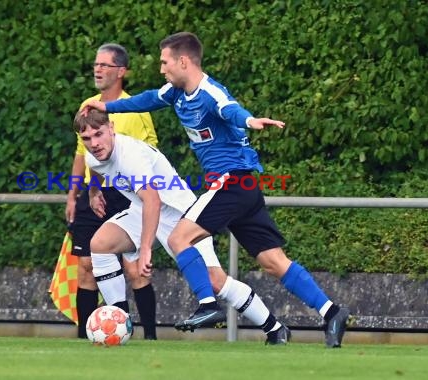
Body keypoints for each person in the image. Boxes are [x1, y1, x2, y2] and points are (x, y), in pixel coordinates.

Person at [84, 32, 350, 348]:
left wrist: (250, 121)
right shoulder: (176, 92)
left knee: (178, 237)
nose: (162, 69)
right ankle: (331, 312)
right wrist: (108, 107)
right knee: (273, 261)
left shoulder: (210, 93)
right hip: (245, 188)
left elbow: (231, 109)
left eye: (165, 62)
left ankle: (208, 306)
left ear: (183, 61)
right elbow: (149, 99)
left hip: (232, 181)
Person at [73, 108, 291, 345]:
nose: (94, 143)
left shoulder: (131, 156)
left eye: (99, 134)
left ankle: (275, 328)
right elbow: (96, 169)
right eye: (87, 138)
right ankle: (119, 319)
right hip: (143, 211)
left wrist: (145, 248)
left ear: (111, 129)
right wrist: (94, 192)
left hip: (179, 213)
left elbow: (153, 200)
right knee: (100, 244)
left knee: (215, 281)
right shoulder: (94, 154)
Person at [65, 43, 158, 340]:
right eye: (96, 64)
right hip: (94, 194)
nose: (98, 69)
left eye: (105, 65)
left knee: (134, 271)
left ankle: (151, 338)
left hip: (125, 196)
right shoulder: (87, 105)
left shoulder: (136, 108)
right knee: (86, 267)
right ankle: (84, 337)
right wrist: (73, 194)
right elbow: (82, 154)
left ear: (121, 72)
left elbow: (152, 153)